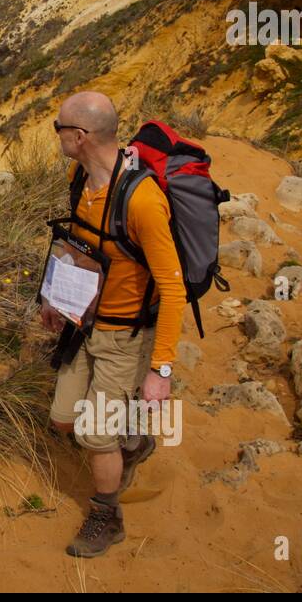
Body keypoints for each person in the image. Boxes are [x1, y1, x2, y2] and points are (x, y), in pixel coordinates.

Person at [41, 91, 185, 558]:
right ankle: (135, 438)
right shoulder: (78, 177)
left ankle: (107, 517)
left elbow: (173, 287)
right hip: (83, 322)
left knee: (95, 435)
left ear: (79, 137)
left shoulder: (142, 201)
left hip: (124, 337)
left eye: (58, 126)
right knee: (64, 420)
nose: (56, 133)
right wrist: (52, 294)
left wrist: (160, 371)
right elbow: (77, 243)